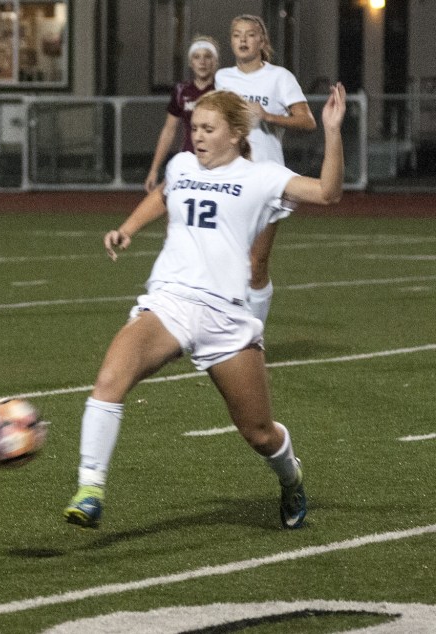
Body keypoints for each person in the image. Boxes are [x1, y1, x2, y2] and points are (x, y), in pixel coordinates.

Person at [63, 84, 346, 532]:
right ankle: (90, 489)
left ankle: (290, 476)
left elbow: (328, 193)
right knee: (109, 380)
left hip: (226, 316)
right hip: (170, 303)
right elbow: (164, 193)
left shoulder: (263, 177)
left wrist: (332, 131)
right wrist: (127, 228)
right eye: (194, 127)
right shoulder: (181, 165)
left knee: (259, 433)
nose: (196, 135)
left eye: (208, 128)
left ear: (235, 133)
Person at [214, 14, 317, 323]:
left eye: (249, 35)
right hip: (230, 178)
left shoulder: (279, 77)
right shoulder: (223, 79)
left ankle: (253, 334)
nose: (243, 40)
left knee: (256, 263)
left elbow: (307, 121)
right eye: (236, 35)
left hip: (266, 180)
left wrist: (269, 117)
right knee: (224, 261)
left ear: (261, 41)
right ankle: (223, 328)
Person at [144, 35, 220, 193]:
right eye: (197, 57)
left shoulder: (223, 89)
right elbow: (169, 130)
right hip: (189, 158)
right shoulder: (181, 90)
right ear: (191, 63)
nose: (202, 62)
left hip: (217, 161)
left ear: (215, 61)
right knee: (171, 203)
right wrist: (154, 169)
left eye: (207, 57)